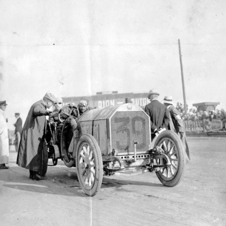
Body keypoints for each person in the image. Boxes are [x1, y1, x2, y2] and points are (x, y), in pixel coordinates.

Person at [17, 93, 57, 180]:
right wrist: (47, 112)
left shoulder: (41, 105)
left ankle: (33, 174)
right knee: (34, 152)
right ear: (48, 101)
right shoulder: (38, 105)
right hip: (33, 133)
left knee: (33, 152)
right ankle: (34, 174)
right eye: (52, 103)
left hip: (34, 133)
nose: (52, 105)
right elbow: (36, 111)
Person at [163, 96, 190, 161]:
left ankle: (183, 159)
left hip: (177, 130)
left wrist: (181, 130)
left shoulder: (172, 109)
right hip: (175, 129)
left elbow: (179, 119)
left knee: (180, 145)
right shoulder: (170, 108)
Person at [0, 100, 9, 169]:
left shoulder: (2, 114)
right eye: (4, 105)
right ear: (1, 106)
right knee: (2, 149)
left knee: (4, 149)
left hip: (4, 136)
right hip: (1, 135)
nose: (5, 107)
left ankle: (3, 163)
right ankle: (1, 164)